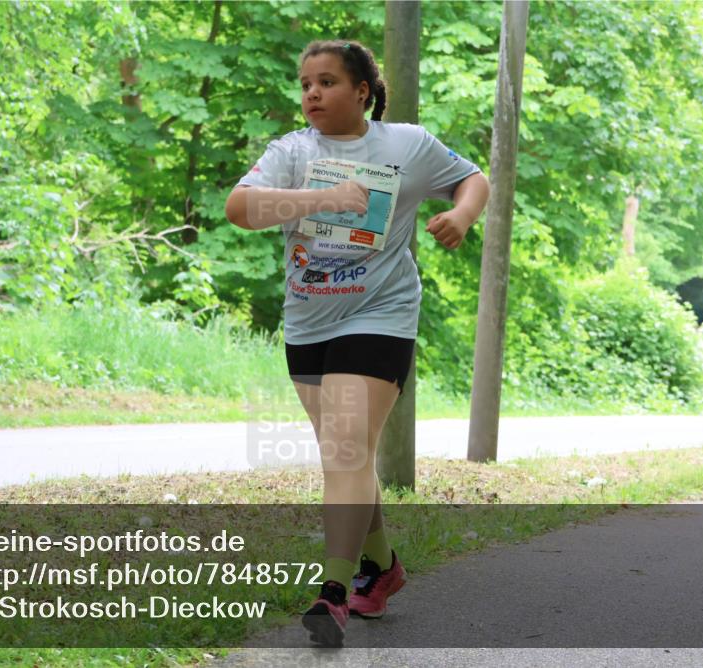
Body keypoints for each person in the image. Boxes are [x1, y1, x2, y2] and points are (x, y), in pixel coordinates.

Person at [225, 39, 490, 647]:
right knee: (350, 457)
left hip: (381, 312)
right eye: (305, 85)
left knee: (345, 451)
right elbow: (240, 208)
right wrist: (320, 198)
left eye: (326, 82)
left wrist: (463, 216)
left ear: (362, 92)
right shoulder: (291, 151)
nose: (312, 94)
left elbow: (471, 178)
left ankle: (333, 594)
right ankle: (385, 567)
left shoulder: (406, 145)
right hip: (308, 319)